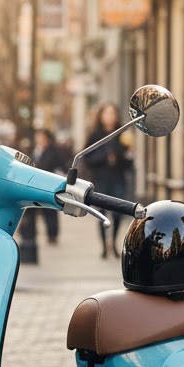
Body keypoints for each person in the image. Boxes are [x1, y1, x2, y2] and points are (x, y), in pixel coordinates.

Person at [82, 102, 133, 258]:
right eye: (106, 113)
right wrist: (104, 157)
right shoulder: (95, 134)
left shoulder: (122, 134)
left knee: (118, 213)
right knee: (101, 214)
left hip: (117, 178)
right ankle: (104, 246)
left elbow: (129, 161)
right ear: (101, 116)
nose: (110, 116)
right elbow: (86, 157)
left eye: (112, 113)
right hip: (101, 179)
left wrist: (125, 156)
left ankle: (114, 242)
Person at [33, 127, 67, 245]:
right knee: (44, 210)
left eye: (41, 137)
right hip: (39, 184)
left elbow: (50, 165)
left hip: (50, 184)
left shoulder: (52, 151)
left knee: (51, 210)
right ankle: (49, 234)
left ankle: (53, 235)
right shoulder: (37, 150)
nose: (38, 139)